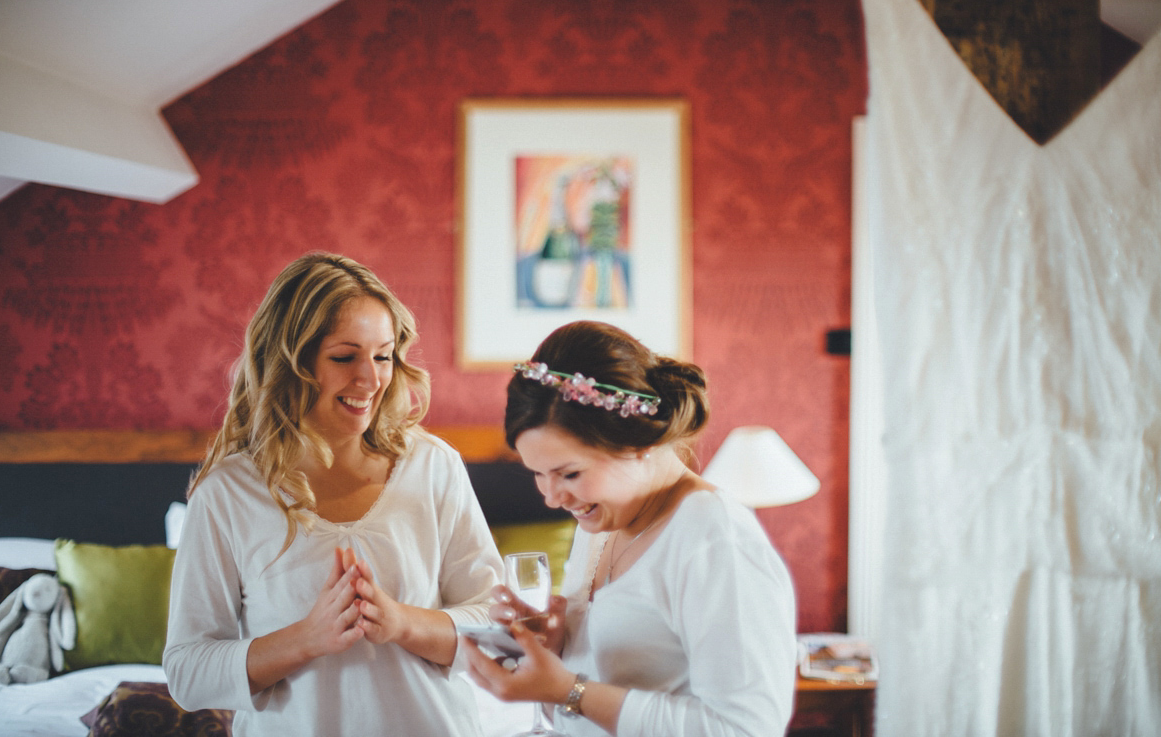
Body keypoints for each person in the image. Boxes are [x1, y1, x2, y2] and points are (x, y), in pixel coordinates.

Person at [164, 252, 504, 737]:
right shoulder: (227, 494)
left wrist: (403, 623)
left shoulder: (433, 466)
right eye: (345, 357)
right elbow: (188, 673)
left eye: (383, 355)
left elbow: (497, 626)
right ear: (289, 361)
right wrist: (305, 639)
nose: (371, 379)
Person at [460, 320, 797, 736]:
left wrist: (568, 690)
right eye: (538, 474)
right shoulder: (601, 521)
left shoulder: (714, 539)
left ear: (639, 444)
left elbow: (746, 728)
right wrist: (558, 645)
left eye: (569, 474)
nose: (551, 497)